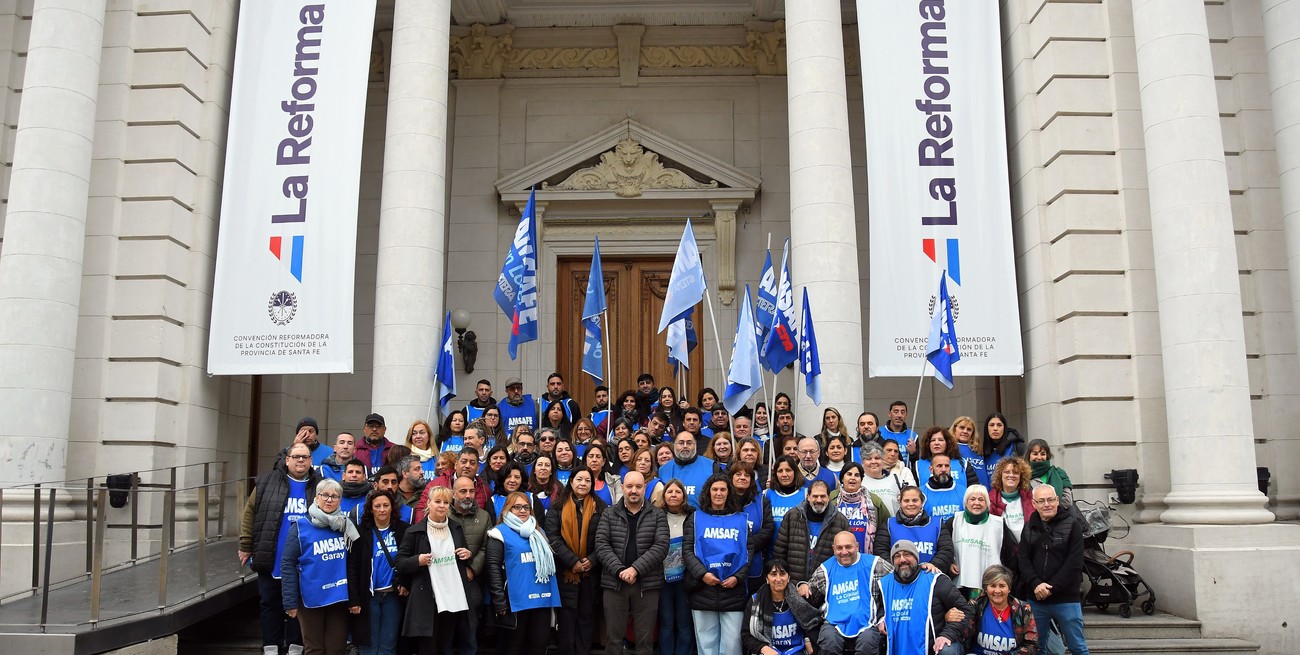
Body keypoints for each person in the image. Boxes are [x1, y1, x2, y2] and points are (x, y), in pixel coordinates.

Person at [239, 442, 322, 655]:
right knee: (270, 604)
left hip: (305, 560)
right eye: (296, 457)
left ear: (311, 461)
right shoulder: (266, 482)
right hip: (271, 555)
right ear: (287, 460)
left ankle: (295, 647)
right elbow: (250, 514)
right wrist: (246, 545)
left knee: (299, 605)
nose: (300, 460)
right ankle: (271, 647)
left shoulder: (320, 486)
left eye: (305, 457)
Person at [279, 478, 363, 655]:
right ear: (316, 498)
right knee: (314, 649)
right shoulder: (301, 526)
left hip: (339, 598)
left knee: (336, 648)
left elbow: (354, 563)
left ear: (340, 500)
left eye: (334, 496)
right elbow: (287, 563)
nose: (329, 499)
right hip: (310, 598)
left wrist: (354, 598)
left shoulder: (347, 527)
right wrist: (290, 601)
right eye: (324, 495)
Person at [595, 471, 670, 655]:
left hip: (647, 583)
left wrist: (635, 569)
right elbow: (601, 544)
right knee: (613, 639)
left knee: (645, 641)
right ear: (622, 488)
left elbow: (661, 546)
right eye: (629, 486)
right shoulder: (609, 513)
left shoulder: (658, 514)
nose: (634, 490)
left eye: (638, 486)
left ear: (645, 488)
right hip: (615, 582)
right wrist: (620, 570)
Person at [395, 486, 472, 655]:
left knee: (446, 646)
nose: (442, 506)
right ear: (428, 503)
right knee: (427, 647)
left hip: (452, 596)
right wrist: (418, 560)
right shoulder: (414, 531)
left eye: (446, 502)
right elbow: (400, 563)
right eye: (437, 501)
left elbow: (465, 556)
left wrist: (468, 554)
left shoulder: (456, 528)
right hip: (428, 597)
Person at [486, 491, 562, 655]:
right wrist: (499, 601)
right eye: (517, 507)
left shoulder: (539, 533)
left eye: (526, 507)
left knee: (538, 645)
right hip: (515, 603)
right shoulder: (498, 533)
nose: (522, 511)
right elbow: (493, 569)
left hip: (541, 600)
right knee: (513, 647)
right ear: (507, 510)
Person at [1017, 485, 1090, 655]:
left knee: (1077, 647)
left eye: (1050, 499)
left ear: (1057, 500)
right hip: (1036, 599)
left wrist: (1051, 587)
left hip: (1066, 599)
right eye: (1041, 501)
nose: (1046, 504)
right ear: (1034, 503)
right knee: (1037, 648)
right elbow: (1024, 561)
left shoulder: (1072, 526)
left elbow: (1075, 562)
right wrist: (1036, 584)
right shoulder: (1028, 528)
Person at [683, 474, 750, 655]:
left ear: (729, 493)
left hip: (733, 592)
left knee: (732, 645)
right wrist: (702, 575)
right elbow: (688, 551)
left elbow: (748, 553)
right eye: (715, 489)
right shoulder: (695, 519)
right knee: (706, 646)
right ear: (708, 492)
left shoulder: (741, 520)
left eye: (723, 489)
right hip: (703, 590)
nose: (719, 493)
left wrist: (737, 577)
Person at [546, 467, 607, 655]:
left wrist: (592, 560)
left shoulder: (601, 507)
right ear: (571, 482)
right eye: (579, 479)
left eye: (587, 480)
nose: (583, 483)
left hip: (591, 572)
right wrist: (573, 562)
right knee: (566, 618)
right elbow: (553, 538)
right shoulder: (556, 507)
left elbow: (605, 538)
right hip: (566, 572)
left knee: (587, 617)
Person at [876, 540, 972, 655]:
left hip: (932, 649)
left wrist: (947, 635)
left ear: (916, 558)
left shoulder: (935, 580)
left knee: (948, 650)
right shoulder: (885, 584)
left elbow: (965, 609)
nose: (902, 560)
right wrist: (881, 618)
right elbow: (881, 606)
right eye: (897, 556)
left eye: (907, 554)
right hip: (895, 649)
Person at [805, 531, 891, 655]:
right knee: (829, 642)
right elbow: (810, 594)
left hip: (868, 623)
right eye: (839, 548)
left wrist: (884, 617)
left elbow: (898, 583)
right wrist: (803, 585)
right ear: (833, 549)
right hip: (833, 625)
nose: (844, 552)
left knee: (868, 643)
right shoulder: (824, 570)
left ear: (857, 546)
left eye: (848, 547)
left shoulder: (875, 565)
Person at [354, 489, 408, 655]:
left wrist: (404, 582)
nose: (382, 509)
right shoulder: (360, 532)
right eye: (377, 506)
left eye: (386, 505)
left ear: (392, 507)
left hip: (393, 596)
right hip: (368, 597)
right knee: (368, 645)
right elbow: (353, 567)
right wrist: (354, 599)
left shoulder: (404, 530)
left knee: (388, 645)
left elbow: (408, 561)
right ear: (370, 509)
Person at [775, 480, 848, 590]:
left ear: (829, 497)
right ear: (808, 497)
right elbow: (779, 553)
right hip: (792, 587)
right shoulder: (792, 516)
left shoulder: (840, 521)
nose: (819, 500)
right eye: (815, 496)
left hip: (825, 588)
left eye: (823, 496)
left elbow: (845, 557)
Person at [447, 474, 492, 655]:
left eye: (471, 491)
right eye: (463, 491)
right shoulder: (444, 514)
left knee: (470, 628)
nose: (467, 495)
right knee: (446, 630)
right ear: (453, 493)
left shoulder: (484, 516)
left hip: (471, 579)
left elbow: (486, 547)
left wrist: (473, 569)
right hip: (446, 579)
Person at [954, 564, 1039, 655]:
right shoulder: (975, 605)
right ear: (986, 588)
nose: (997, 591)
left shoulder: (1023, 609)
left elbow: (1032, 646)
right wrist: (951, 618)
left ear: (1009, 588)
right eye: (993, 586)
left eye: (1002, 586)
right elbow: (961, 634)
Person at [741, 558, 819, 655]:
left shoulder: (800, 598)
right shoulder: (755, 601)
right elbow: (746, 635)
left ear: (788, 577)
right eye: (773, 574)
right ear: (767, 578)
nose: (778, 579)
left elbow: (812, 624)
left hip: (796, 650)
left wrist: (807, 639)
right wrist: (763, 648)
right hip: (768, 651)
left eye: (782, 574)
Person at [948, 485, 1013, 595]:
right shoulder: (954, 521)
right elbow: (943, 548)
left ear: (987, 504)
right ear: (966, 502)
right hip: (960, 587)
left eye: (981, 499)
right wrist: (948, 563)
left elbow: (1010, 558)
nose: (976, 503)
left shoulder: (999, 524)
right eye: (972, 499)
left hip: (992, 588)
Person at [873, 485, 954, 575]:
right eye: (906, 501)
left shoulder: (937, 524)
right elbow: (880, 551)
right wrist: (897, 570)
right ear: (900, 503)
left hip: (929, 576)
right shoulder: (888, 525)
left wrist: (933, 565)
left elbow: (946, 550)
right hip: (898, 578)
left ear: (922, 502)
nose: (911, 504)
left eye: (915, 500)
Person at [656, 478, 696, 655]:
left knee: (684, 621)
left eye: (677, 492)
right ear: (664, 495)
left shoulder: (693, 516)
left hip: (686, 578)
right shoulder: (656, 515)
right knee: (666, 621)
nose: (673, 495)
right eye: (670, 491)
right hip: (661, 577)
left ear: (684, 496)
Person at [729, 463, 775, 590]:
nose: (742, 478)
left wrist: (747, 546)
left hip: (755, 562)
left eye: (747, 475)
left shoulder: (761, 501)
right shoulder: (723, 501)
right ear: (731, 478)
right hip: (729, 562)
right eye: (738, 474)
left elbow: (768, 529)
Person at [419, 447, 491, 520]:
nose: (467, 466)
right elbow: (421, 509)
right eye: (464, 462)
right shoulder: (436, 484)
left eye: (472, 463)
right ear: (456, 464)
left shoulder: (484, 490)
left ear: (478, 468)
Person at [835, 462, 890, 554]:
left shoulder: (874, 501)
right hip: (838, 554)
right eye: (849, 474)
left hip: (866, 556)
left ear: (861, 479)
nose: (853, 478)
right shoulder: (831, 499)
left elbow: (886, 528)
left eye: (857, 475)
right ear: (842, 478)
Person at [990, 457, 1035, 560]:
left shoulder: (1030, 498)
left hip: (1029, 554)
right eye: (1007, 472)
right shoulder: (990, 500)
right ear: (1000, 475)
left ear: (1021, 477)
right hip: (1004, 556)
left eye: (1015, 472)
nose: (1011, 475)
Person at [657, 430, 715, 506]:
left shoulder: (711, 466)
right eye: (681, 443)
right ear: (675, 446)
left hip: (700, 516)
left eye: (689, 443)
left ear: (695, 446)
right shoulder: (663, 470)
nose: (685, 446)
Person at [912, 426, 980, 492]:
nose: (936, 443)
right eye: (932, 440)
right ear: (928, 444)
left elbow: (974, 491)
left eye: (941, 440)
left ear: (947, 443)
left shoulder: (963, 464)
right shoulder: (918, 466)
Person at [765, 456, 807, 538]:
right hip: (771, 549)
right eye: (780, 471)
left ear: (795, 472)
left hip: (796, 548)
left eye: (788, 470)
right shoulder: (767, 494)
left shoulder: (805, 494)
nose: (784, 474)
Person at [859, 443, 905, 514]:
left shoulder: (896, 479)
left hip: (891, 524)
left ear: (883, 460)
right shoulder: (859, 482)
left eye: (877, 458)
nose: (873, 462)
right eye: (869, 459)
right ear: (862, 462)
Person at [1027, 439, 1075, 505]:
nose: (1039, 457)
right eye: (1035, 454)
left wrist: (1048, 508)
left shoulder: (1059, 473)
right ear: (1029, 456)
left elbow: (1067, 501)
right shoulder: (1024, 476)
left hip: (1060, 514)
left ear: (1047, 456)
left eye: (1043, 454)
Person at [981, 412, 1026, 483]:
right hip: (988, 493)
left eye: (999, 425)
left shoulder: (1017, 447)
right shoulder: (981, 451)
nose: (995, 428)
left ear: (1004, 428)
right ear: (987, 429)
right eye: (992, 425)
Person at [921, 454, 966, 521]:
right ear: (931, 469)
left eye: (947, 466)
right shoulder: (921, 493)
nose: (944, 469)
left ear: (950, 469)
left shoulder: (963, 491)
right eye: (939, 466)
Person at [951, 415, 988, 487]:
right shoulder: (950, 449)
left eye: (969, 429)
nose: (965, 431)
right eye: (961, 428)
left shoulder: (977, 450)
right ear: (954, 429)